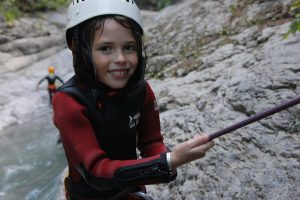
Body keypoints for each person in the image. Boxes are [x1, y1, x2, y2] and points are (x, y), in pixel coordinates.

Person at [52, 0, 215, 199]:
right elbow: (96, 172)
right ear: (77, 47)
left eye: (129, 47)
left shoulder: (141, 90)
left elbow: (151, 141)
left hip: (131, 191)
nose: (121, 58)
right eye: (105, 49)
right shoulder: (68, 101)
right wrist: (168, 162)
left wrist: (167, 159)